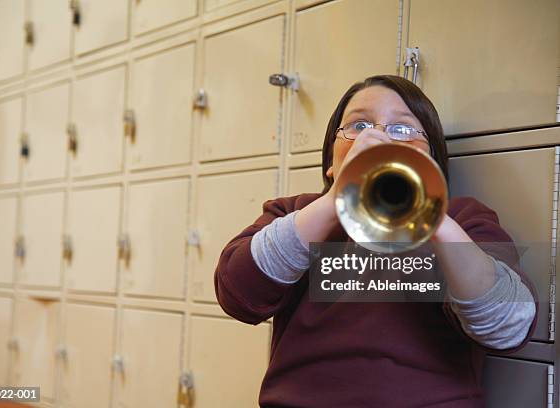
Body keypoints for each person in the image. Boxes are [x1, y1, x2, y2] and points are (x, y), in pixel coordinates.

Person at [214, 74, 537, 407]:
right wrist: (335, 200)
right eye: (358, 126)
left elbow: (508, 328)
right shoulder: (296, 212)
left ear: (433, 159)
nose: (378, 138)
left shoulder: (463, 220)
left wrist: (433, 216)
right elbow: (238, 293)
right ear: (330, 162)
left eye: (403, 129)